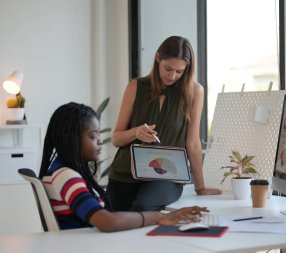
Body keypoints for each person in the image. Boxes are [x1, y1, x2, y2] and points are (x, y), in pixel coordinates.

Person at [38, 102, 208, 232]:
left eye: (99, 134)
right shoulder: (66, 176)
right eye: (92, 136)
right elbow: (107, 222)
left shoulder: (59, 171)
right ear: (71, 138)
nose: (99, 141)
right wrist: (160, 217)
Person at [107, 35, 222, 212]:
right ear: (158, 58)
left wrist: (200, 187)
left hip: (166, 177)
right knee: (120, 229)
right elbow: (116, 139)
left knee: (143, 207)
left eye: (180, 71)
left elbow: (192, 143)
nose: (172, 76)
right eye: (168, 68)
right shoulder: (134, 87)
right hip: (124, 175)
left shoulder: (195, 92)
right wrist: (135, 132)